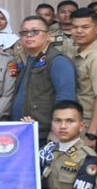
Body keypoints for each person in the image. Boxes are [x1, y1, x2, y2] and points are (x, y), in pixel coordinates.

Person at [11, 16, 76, 144]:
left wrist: (56, 129)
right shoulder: (26, 59)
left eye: (35, 31)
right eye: (24, 32)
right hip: (24, 130)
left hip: (45, 133)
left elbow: (66, 98)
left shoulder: (57, 61)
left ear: (48, 36)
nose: (29, 35)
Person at [69, 7, 97, 141]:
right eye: (75, 27)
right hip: (81, 124)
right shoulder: (79, 53)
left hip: (94, 130)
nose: (79, 31)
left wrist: (92, 134)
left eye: (85, 27)